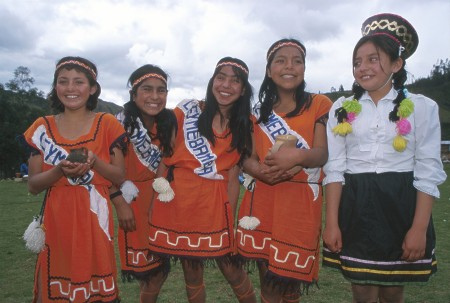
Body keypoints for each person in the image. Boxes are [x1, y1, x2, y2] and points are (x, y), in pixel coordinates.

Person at [322, 13, 447, 303]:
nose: (362, 67)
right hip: (357, 202)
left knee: (392, 289)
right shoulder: (342, 108)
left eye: (372, 59)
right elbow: (335, 167)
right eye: (357, 61)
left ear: (397, 64)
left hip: (401, 204)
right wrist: (332, 223)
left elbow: (428, 168)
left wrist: (418, 229)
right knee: (362, 289)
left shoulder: (421, 107)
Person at [148, 57, 256, 303]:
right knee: (191, 270)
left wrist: (229, 217)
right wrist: (154, 203)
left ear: (243, 89)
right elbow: (166, 159)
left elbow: (232, 175)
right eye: (221, 77)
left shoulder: (245, 124)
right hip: (179, 201)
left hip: (214, 203)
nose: (226, 85)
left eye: (234, 81)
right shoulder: (186, 111)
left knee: (231, 268)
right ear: (212, 81)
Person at [20, 56, 127, 303]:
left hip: (95, 218)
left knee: (96, 291)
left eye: (79, 82)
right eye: (63, 81)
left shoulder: (107, 123)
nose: (70, 88)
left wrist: (94, 161)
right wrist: (59, 170)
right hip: (57, 219)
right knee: (53, 287)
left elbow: (119, 176)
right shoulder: (42, 127)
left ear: (92, 89)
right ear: (55, 86)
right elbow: (34, 186)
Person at [236, 38, 332, 303]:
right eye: (281, 60)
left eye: (297, 61)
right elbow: (247, 156)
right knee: (268, 282)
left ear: (304, 68)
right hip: (263, 200)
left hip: (300, 203)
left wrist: (296, 157)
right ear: (269, 70)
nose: (289, 66)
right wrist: (259, 170)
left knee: (291, 283)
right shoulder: (256, 114)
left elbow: (322, 154)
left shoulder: (319, 104)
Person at [112, 64, 176, 302]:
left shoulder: (168, 122)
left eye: (161, 90)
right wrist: (120, 204)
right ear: (134, 93)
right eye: (147, 89)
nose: (155, 97)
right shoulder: (118, 124)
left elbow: (166, 162)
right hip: (131, 200)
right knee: (146, 269)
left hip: (160, 199)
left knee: (160, 268)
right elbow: (106, 173)